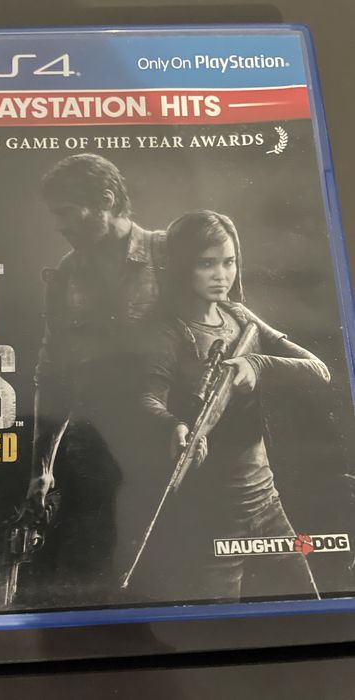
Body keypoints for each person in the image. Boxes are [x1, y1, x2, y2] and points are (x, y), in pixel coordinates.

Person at [134, 210, 330, 603]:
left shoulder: (238, 315)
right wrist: (171, 425)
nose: (221, 275)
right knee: (216, 623)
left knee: (311, 606)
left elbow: (318, 370)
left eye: (229, 262)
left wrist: (257, 364)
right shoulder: (165, 330)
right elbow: (146, 397)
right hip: (212, 514)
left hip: (266, 497)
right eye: (206, 264)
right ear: (181, 265)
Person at [25, 153, 166, 602]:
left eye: (66, 212)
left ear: (105, 200)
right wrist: (42, 471)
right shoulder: (65, 276)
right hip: (98, 461)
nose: (59, 226)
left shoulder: (171, 252)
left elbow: (228, 336)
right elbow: (52, 375)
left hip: (176, 451)